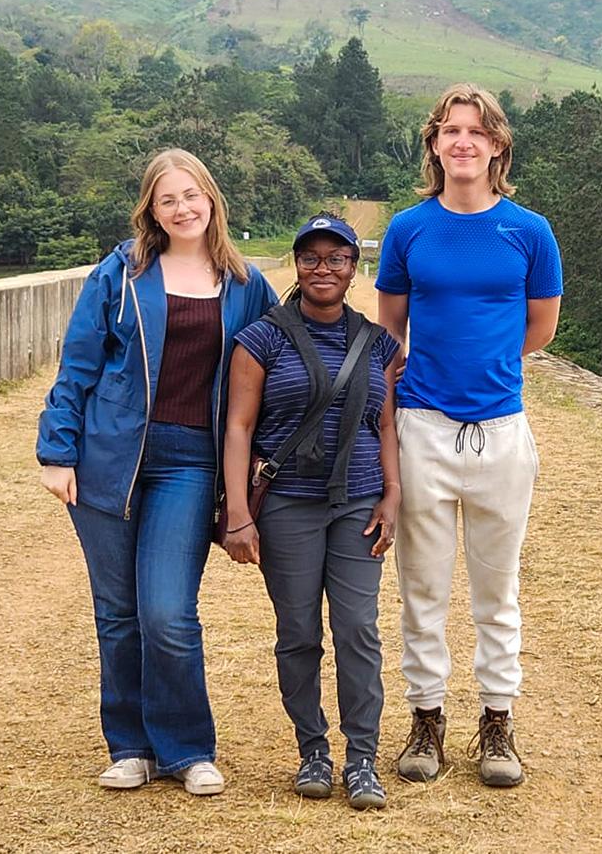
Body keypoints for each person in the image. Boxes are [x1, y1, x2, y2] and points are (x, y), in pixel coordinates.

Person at [36, 148, 276, 796]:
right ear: (151, 209)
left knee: (168, 611)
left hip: (191, 463)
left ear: (211, 200)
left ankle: (187, 748)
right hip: (109, 458)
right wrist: (57, 453)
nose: (182, 209)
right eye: (167, 199)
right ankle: (131, 746)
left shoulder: (247, 283)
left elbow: (279, 366)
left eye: (191, 196)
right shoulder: (120, 274)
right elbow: (77, 367)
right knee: (117, 612)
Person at [375, 83, 563, 788]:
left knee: (497, 587)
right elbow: (390, 327)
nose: (462, 142)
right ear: (434, 145)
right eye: (450, 130)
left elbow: (539, 327)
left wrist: (485, 368)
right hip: (423, 424)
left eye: (476, 132)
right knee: (422, 584)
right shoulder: (409, 229)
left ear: (496, 147)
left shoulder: (529, 231)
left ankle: (497, 722)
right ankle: (426, 718)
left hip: (502, 432)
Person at [223, 214, 402, 809]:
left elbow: (385, 424)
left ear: (354, 269)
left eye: (337, 259)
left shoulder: (378, 343)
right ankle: (312, 751)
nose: (323, 269)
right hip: (288, 506)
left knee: (357, 630)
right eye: (311, 258)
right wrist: (239, 516)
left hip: (357, 503)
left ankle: (361, 758)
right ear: (297, 266)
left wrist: (392, 493)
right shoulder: (262, 338)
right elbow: (239, 427)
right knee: (298, 632)